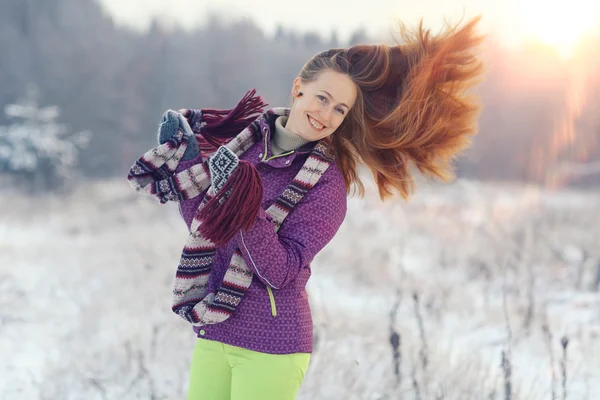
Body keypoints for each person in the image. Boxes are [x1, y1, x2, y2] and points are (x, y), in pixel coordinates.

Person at [128, 16, 484, 400]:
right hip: (216, 328)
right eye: (322, 98)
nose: (326, 115)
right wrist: (186, 161)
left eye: (340, 110)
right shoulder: (244, 145)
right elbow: (207, 228)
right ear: (298, 89)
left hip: (272, 345)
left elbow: (279, 271)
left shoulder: (326, 184)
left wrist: (244, 202)